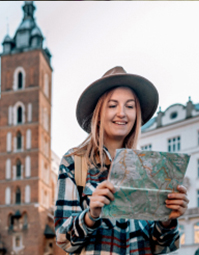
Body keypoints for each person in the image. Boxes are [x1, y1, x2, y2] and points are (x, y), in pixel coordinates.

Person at [54, 66, 189, 255]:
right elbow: (63, 239)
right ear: (98, 114)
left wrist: (167, 219)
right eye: (112, 105)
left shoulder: (149, 167)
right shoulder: (75, 162)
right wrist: (91, 216)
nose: (122, 113)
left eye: (130, 106)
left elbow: (161, 246)